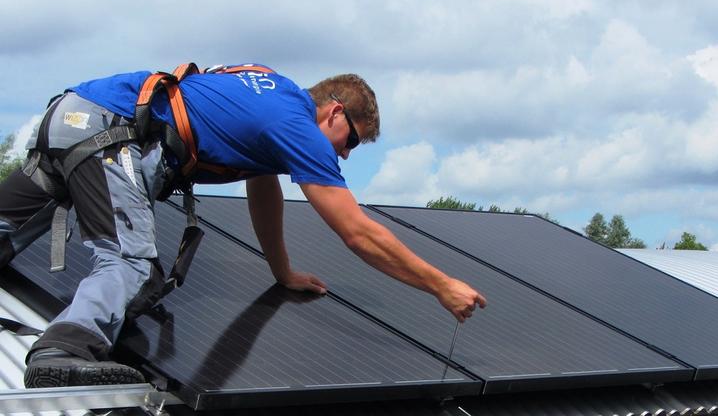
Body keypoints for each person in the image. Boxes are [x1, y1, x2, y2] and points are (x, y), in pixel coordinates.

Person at [0, 63, 486, 388]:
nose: (343, 154)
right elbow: (357, 232)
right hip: (114, 134)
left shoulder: (267, 89)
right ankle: (63, 351)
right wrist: (441, 286)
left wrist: (283, 272)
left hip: (73, 115)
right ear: (335, 112)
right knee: (130, 263)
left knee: (11, 224)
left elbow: (263, 188)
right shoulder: (295, 125)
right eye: (351, 141)